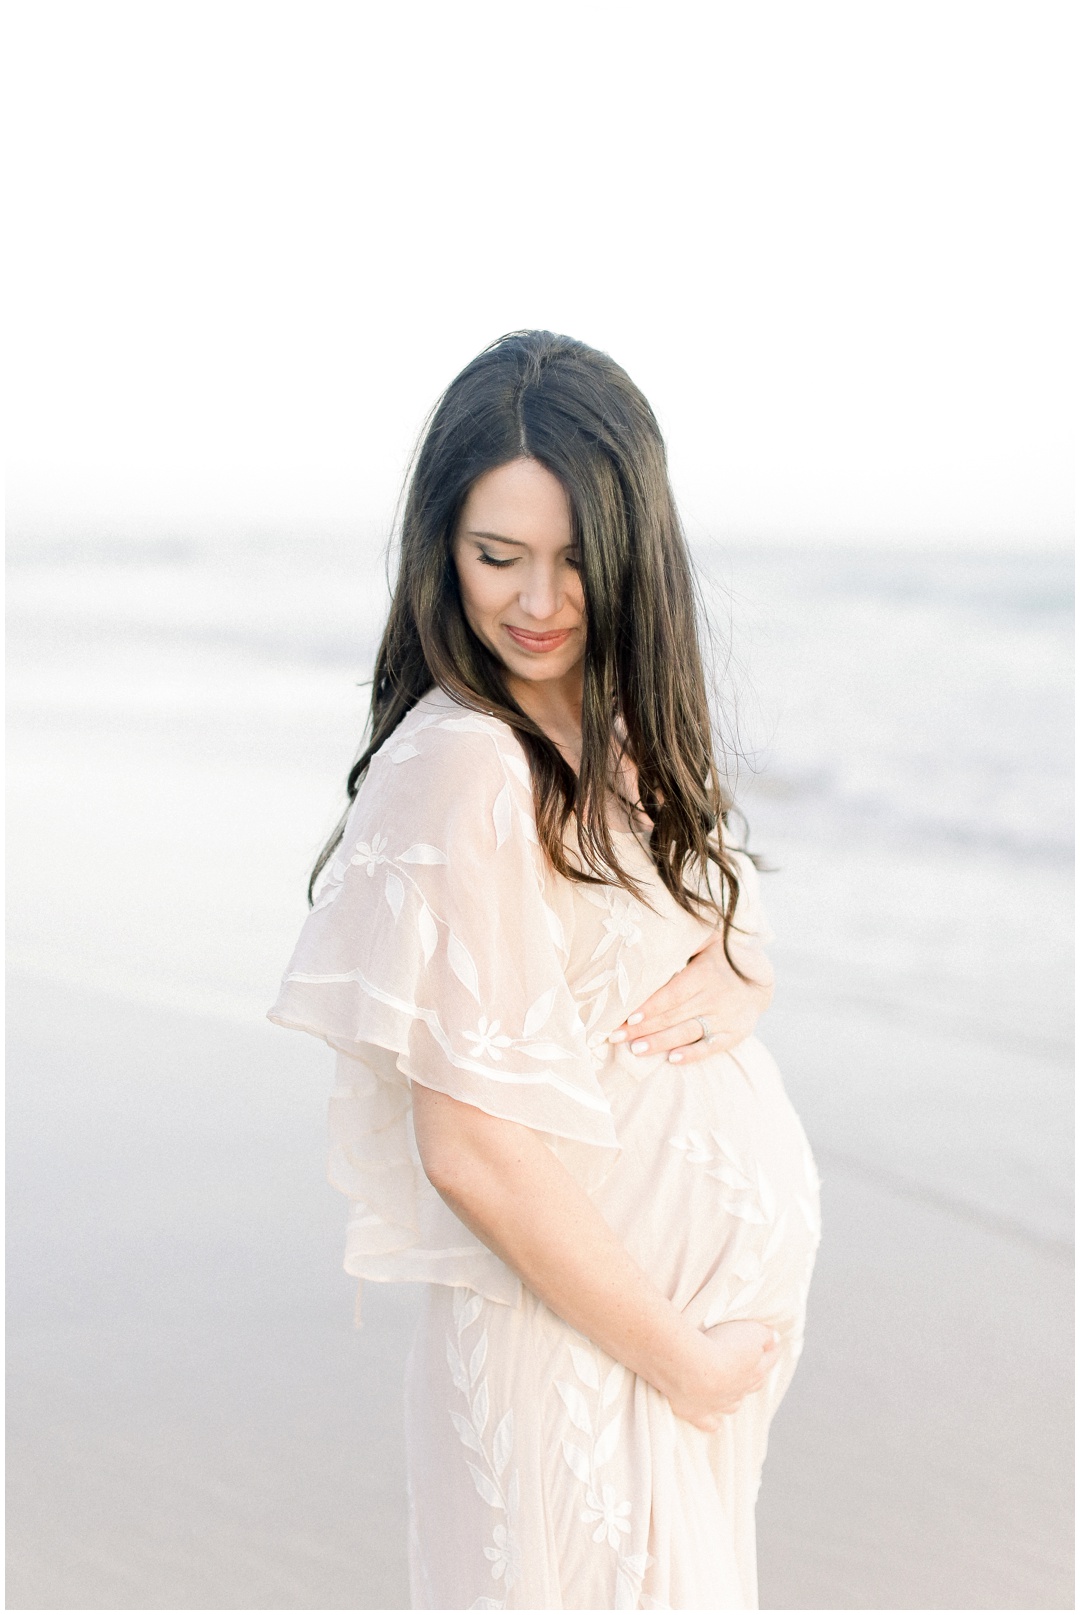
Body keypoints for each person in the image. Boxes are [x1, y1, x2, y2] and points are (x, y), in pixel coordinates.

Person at [269, 330, 820, 1610]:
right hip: (586, 1351)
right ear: (440, 552)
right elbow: (468, 1146)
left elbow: (670, 938)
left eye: (576, 560)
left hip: (640, 1355)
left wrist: (746, 973)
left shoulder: (600, 728)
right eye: (496, 555)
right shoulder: (465, 761)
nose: (536, 602)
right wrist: (680, 1359)